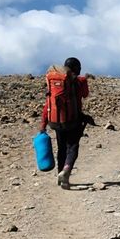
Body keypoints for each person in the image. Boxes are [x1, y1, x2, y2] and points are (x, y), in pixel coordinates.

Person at [39, 56, 90, 189]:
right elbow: (85, 94)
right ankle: (66, 171)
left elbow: (47, 105)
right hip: (73, 120)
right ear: (76, 69)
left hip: (55, 121)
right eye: (79, 67)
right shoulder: (80, 81)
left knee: (61, 148)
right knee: (72, 147)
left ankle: (61, 178)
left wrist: (43, 126)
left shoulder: (54, 81)